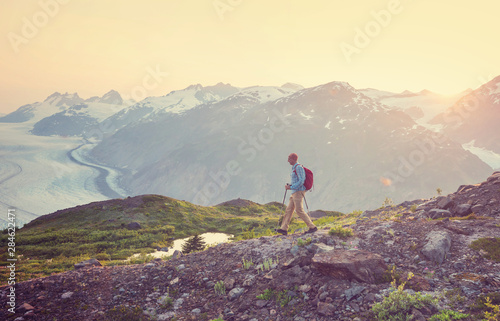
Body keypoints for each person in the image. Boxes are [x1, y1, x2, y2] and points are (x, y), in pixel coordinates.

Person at [275, 153, 318, 236]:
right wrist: (290, 186)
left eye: (289, 159)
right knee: (289, 210)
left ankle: (312, 227)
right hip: (294, 192)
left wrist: (291, 187)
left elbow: (302, 181)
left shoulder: (298, 168)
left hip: (298, 192)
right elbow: (297, 181)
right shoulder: (294, 168)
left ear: (294, 159)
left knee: (299, 210)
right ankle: (284, 229)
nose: (288, 161)